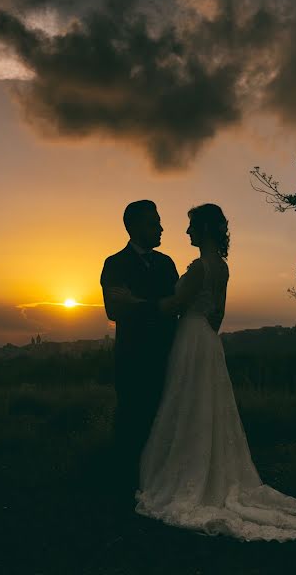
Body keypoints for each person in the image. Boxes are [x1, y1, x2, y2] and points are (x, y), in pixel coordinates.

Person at [113, 203, 296, 542]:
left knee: (186, 406)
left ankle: (179, 474)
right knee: (204, 408)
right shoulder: (221, 267)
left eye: (191, 227)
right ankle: (202, 469)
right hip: (206, 338)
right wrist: (203, 336)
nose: (184, 232)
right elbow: (217, 315)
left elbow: (174, 305)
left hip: (189, 338)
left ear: (203, 230)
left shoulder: (198, 268)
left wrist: (155, 311)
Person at [100, 200, 179, 493]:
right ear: (133, 227)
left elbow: (176, 307)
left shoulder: (167, 263)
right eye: (153, 222)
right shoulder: (115, 264)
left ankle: (162, 483)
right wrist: (158, 307)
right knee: (131, 424)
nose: (160, 228)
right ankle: (124, 488)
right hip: (132, 359)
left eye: (159, 221)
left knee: (165, 422)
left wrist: (139, 304)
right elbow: (115, 310)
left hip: (167, 356)